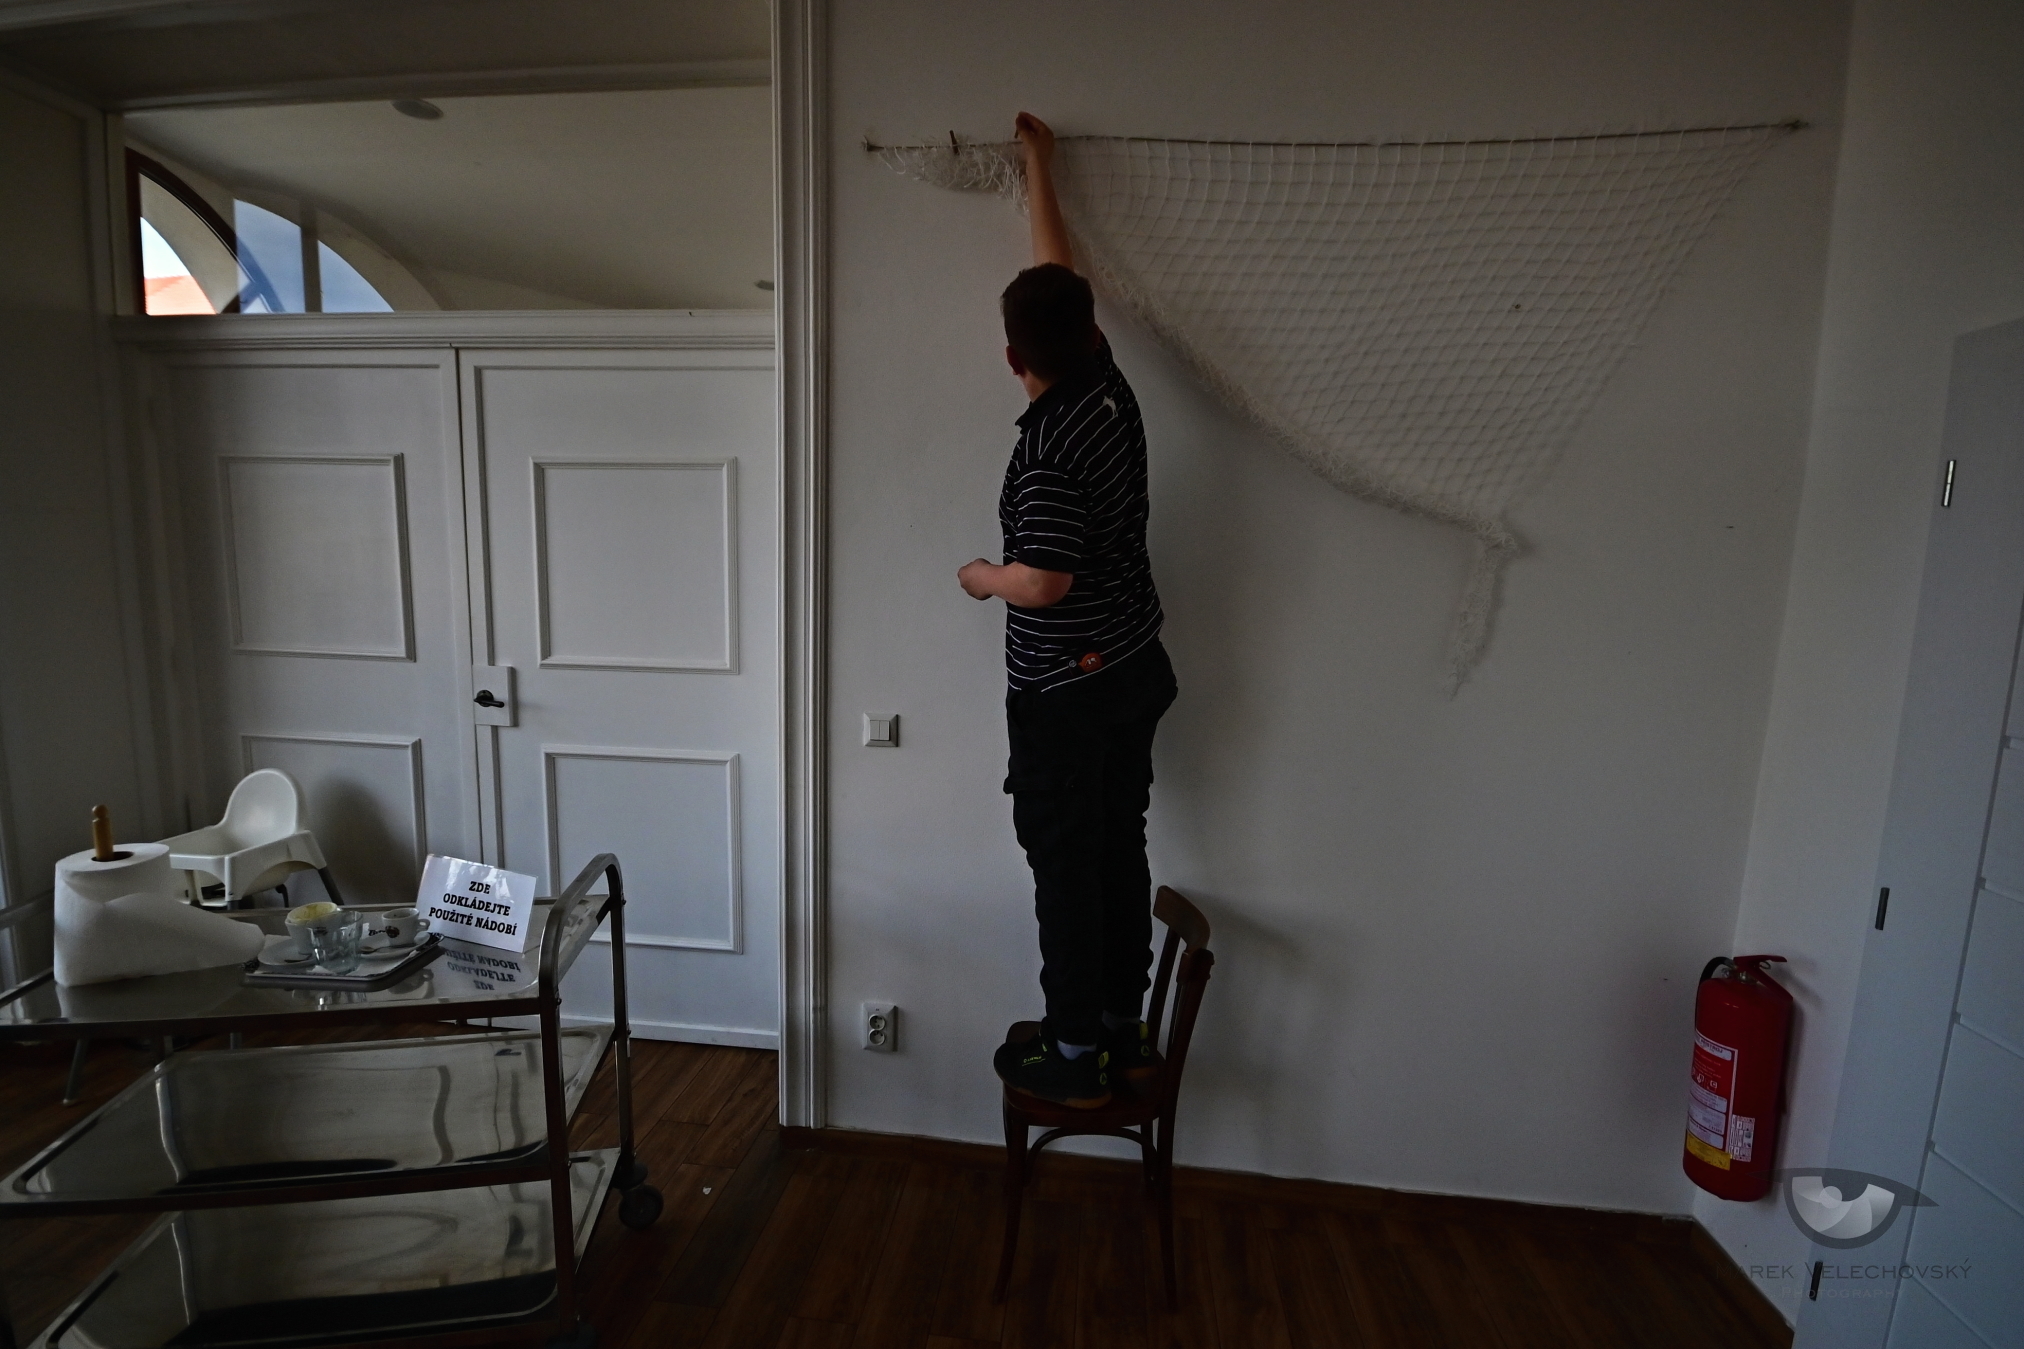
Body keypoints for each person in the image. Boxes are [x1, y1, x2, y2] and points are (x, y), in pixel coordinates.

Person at [958, 112, 1179, 1109]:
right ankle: (1125, 1026)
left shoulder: (1048, 448)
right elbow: (1059, 274)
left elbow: (1044, 580)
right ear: (1089, 333)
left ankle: (1075, 1047)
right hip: (1134, 667)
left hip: (1069, 692)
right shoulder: (1106, 387)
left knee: (1063, 862)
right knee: (1118, 843)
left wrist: (981, 575)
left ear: (1013, 357)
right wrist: (1037, 166)